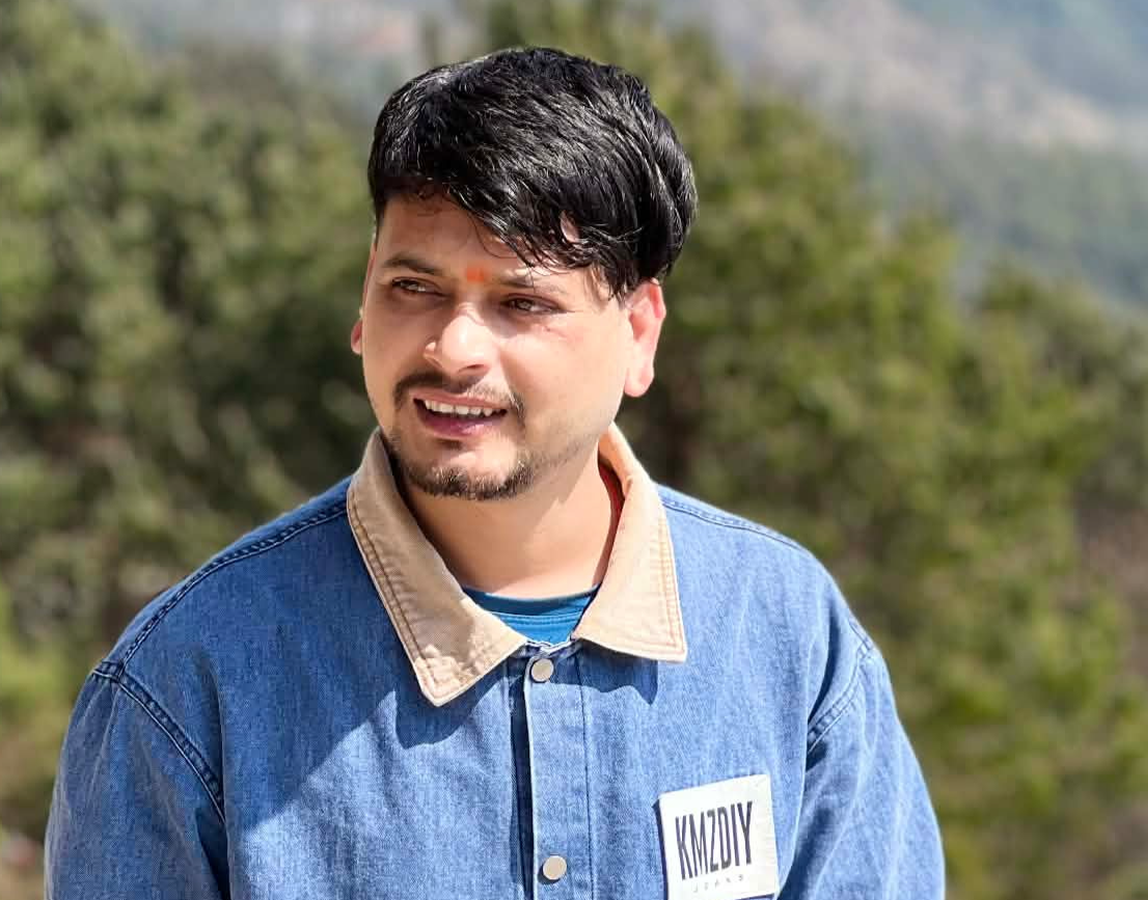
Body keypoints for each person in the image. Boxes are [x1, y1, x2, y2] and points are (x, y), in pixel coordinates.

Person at [45, 47, 943, 899]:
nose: (454, 348)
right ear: (363, 299)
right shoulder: (192, 679)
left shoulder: (783, 633)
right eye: (415, 288)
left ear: (638, 334)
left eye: (522, 302)